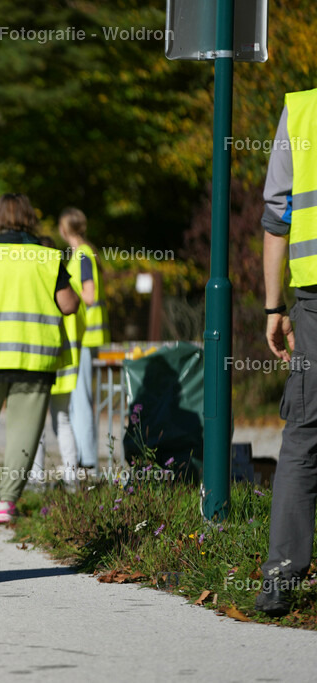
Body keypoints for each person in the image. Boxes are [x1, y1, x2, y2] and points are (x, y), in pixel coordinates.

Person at [0, 194, 79, 525]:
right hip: (34, 361)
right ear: (30, 219)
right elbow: (69, 305)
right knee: (24, 432)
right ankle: (7, 504)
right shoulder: (48, 258)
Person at [256, 87, 317, 616]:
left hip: (316, 302)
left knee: (304, 433)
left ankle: (282, 577)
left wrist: (274, 307)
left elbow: (278, 216)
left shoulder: (302, 110)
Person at [31, 233, 84, 489]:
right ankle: (71, 477)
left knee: (35, 423)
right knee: (62, 419)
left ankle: (36, 477)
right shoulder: (68, 289)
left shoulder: (37, 284)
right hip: (64, 362)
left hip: (41, 362)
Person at [60, 208, 109, 472]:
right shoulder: (85, 254)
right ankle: (84, 457)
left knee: (80, 399)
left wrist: (68, 292)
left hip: (85, 335)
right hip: (85, 335)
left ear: (64, 229)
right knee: (80, 398)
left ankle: (86, 460)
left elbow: (88, 295)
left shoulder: (82, 255)